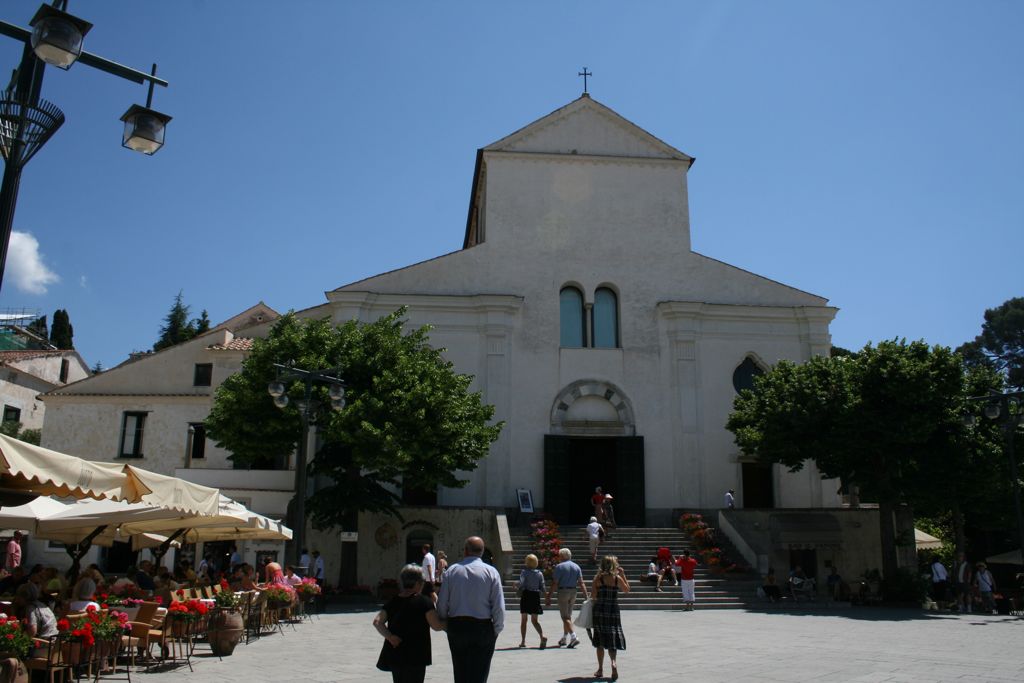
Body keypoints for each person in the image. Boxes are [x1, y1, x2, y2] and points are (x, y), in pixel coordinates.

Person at [436, 536, 505, 683]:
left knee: (460, 670)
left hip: (457, 625)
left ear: (465, 551)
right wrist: (496, 629)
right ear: (482, 552)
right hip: (483, 626)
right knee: (480, 672)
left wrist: (445, 623)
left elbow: (442, 602)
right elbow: (498, 605)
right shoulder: (491, 572)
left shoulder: (452, 571)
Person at [373, 564, 445, 683]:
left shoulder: (394, 601)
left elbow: (377, 622)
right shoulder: (424, 602)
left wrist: (390, 637)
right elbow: (436, 626)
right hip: (416, 654)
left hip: (396, 652)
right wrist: (450, 623)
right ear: (418, 583)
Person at [591, 555, 629, 681]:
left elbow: (593, 596)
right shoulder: (616, 578)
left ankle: (600, 668)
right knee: (612, 638)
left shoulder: (598, 578)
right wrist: (623, 575)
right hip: (613, 610)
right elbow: (626, 590)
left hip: (600, 610)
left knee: (600, 639)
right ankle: (613, 662)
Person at [546, 547, 588, 648]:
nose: (558, 557)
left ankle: (574, 637)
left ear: (562, 556)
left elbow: (555, 583)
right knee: (568, 616)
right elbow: (581, 582)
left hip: (563, 591)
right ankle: (564, 637)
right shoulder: (576, 566)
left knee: (564, 617)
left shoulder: (559, 567)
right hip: (573, 591)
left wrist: (549, 596)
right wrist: (586, 595)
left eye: (559, 555)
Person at [516, 553, 547, 648]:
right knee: (535, 621)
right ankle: (542, 636)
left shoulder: (524, 572)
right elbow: (542, 586)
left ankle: (523, 641)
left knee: (524, 620)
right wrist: (547, 596)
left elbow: (521, 584)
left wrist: (516, 585)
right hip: (535, 596)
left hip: (526, 595)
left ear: (527, 562)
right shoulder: (539, 573)